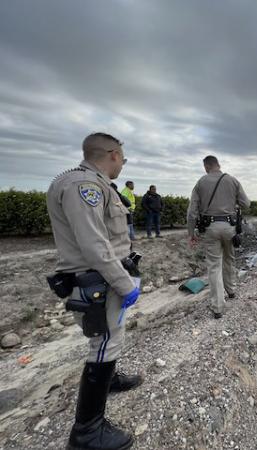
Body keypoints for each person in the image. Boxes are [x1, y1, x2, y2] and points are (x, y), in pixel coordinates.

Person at [46, 132, 142, 450]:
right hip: (97, 281)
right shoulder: (83, 185)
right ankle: (87, 431)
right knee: (103, 344)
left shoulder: (92, 183)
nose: (123, 165)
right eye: (123, 159)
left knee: (109, 341)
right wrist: (124, 283)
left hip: (101, 278)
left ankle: (110, 380)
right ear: (113, 154)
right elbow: (95, 245)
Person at [187, 155, 250, 319]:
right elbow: (246, 204)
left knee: (214, 266)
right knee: (229, 259)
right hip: (230, 228)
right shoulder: (232, 180)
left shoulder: (201, 182)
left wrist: (191, 232)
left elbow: (192, 212)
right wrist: (233, 204)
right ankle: (231, 290)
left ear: (206, 167)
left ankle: (218, 307)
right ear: (218, 165)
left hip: (210, 229)